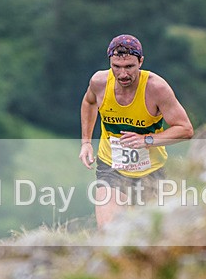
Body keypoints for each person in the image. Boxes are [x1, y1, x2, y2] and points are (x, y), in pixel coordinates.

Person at [79, 34, 194, 228]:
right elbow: (89, 102)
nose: (123, 74)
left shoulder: (156, 88)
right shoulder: (99, 82)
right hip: (112, 168)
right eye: (116, 66)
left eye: (129, 66)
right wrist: (86, 142)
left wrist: (146, 140)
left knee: (151, 233)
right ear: (110, 63)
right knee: (108, 230)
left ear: (141, 62)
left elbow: (185, 129)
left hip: (151, 172)